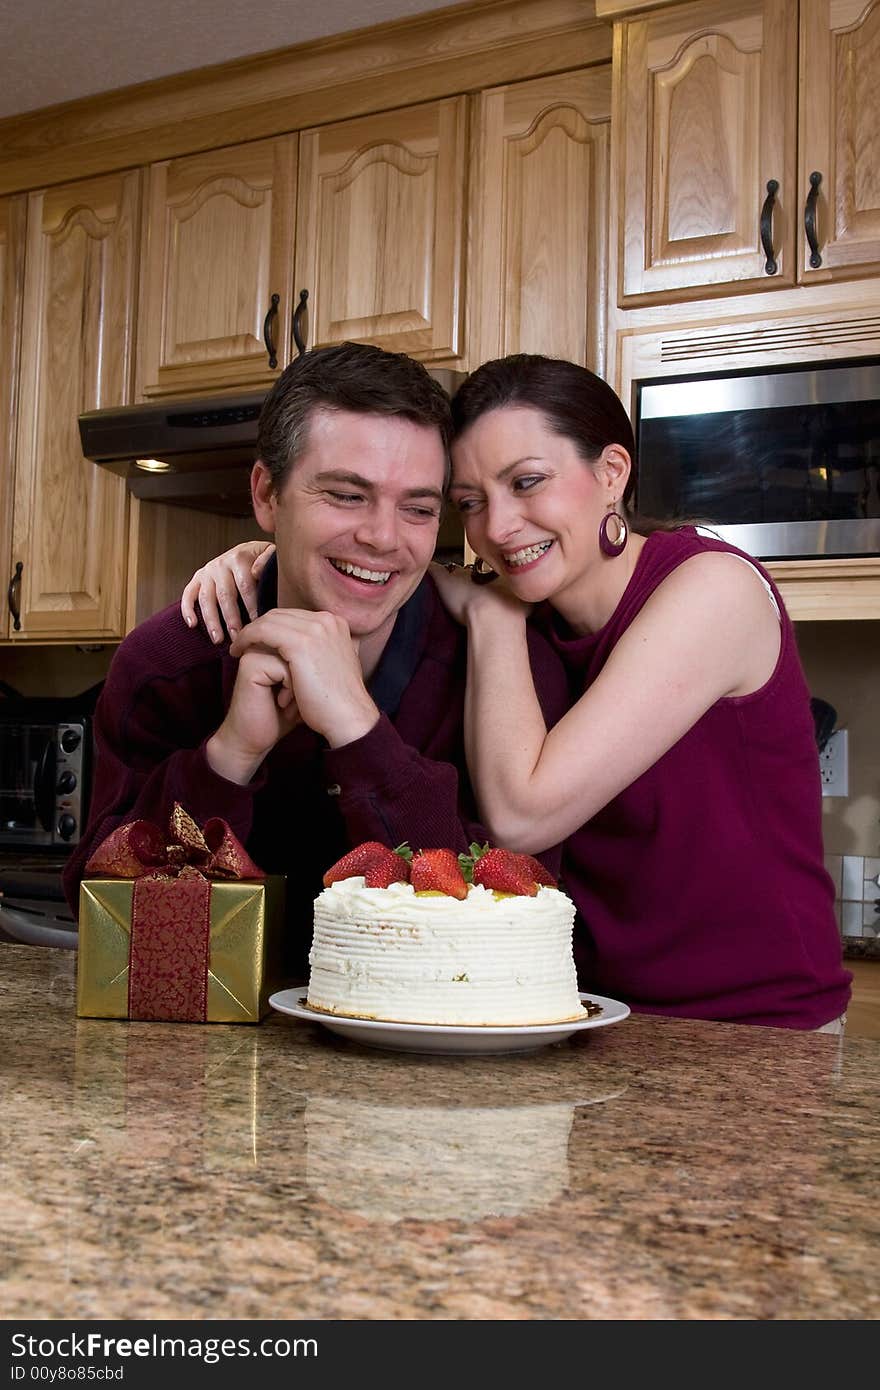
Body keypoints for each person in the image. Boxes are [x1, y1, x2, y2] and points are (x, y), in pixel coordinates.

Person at [193, 354, 851, 1030]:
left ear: (611, 473)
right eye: (471, 503)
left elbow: (522, 817)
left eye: (528, 481)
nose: (498, 528)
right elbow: (360, 551)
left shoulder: (713, 589)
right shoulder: (539, 608)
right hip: (588, 1018)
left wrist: (492, 616)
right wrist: (260, 557)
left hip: (756, 1030)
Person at [63, 344, 569, 978]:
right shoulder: (167, 665)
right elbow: (123, 948)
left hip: (438, 1072)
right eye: (347, 495)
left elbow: (508, 951)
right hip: (210, 1066)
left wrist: (361, 731)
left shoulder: (507, 673)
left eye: (417, 508)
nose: (383, 538)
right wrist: (229, 758)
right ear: (268, 495)